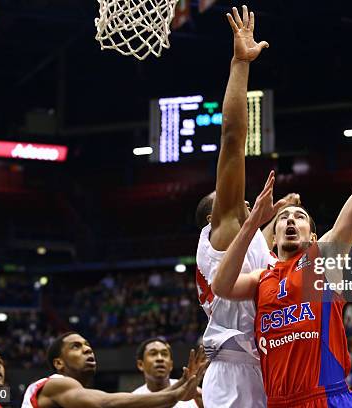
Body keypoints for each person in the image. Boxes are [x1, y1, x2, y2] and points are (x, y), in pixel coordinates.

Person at [212, 70, 352, 407]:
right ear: (274, 235)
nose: (291, 221)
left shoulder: (322, 257)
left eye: (299, 217)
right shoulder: (260, 278)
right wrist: (252, 223)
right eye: (284, 218)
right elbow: (221, 286)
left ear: (313, 234)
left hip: (326, 398)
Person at [193, 5, 299, 408]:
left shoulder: (248, 242)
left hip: (266, 364)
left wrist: (280, 217)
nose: (233, 196)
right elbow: (233, 137)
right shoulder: (222, 230)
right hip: (236, 371)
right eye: (223, 197)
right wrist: (240, 63)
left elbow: (264, 254)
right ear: (211, 217)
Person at [21, 332, 205, 408]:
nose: (87, 349)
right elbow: (104, 403)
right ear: (59, 363)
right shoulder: (57, 384)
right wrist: (176, 394)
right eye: (76, 347)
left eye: (87, 345)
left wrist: (183, 383)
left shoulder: (74, 396)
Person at [133, 338, 204, 408]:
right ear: (140, 364)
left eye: (164, 354)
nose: (160, 358)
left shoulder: (194, 393)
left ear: (171, 365)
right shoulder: (134, 400)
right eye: (153, 354)